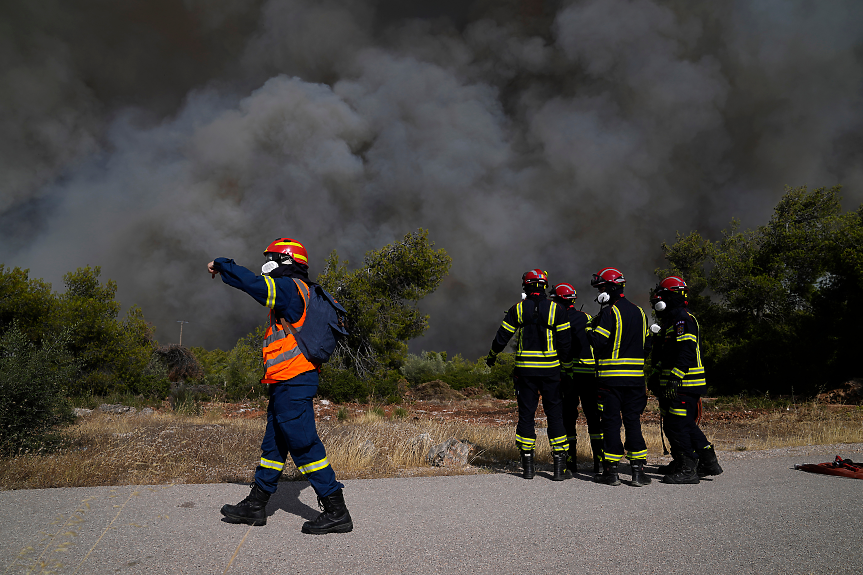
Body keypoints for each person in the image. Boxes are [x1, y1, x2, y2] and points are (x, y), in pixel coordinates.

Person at [208, 238, 353, 534]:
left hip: (294, 380)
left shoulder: (288, 288)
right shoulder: (302, 290)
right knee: (273, 446)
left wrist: (223, 265)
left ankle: (336, 510)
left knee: (304, 445)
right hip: (286, 381)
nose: (266, 263)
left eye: (270, 258)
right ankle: (256, 504)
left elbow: (255, 285)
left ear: (284, 261)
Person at [486, 269, 573, 481]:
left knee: (526, 415)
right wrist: (567, 368)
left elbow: (502, 336)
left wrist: (492, 355)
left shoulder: (517, 309)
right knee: (555, 414)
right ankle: (559, 467)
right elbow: (565, 343)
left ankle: (528, 467)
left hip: (525, 372)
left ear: (525, 286)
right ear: (544, 286)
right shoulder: (557, 309)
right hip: (551, 372)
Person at [648, 276, 723, 484]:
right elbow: (666, 355)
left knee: (677, 425)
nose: (658, 302)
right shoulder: (671, 321)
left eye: (661, 296)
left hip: (684, 384)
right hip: (676, 384)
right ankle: (707, 462)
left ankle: (688, 468)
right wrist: (655, 375)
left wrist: (675, 377)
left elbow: (686, 352)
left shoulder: (682, 319)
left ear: (671, 296)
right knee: (685, 424)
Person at [587, 267, 652, 487]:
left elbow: (598, 343)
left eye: (602, 287)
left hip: (610, 381)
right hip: (635, 381)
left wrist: (589, 330)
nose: (600, 292)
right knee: (633, 422)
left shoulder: (609, 313)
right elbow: (647, 347)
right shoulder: (641, 313)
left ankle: (612, 472)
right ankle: (637, 472)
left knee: (611, 424)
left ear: (612, 288)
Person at [549, 283, 603, 476]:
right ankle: (600, 463)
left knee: (568, 419)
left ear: (559, 301)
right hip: (589, 375)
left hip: (568, 375)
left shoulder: (556, 319)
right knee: (594, 419)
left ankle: (570, 463)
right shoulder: (587, 317)